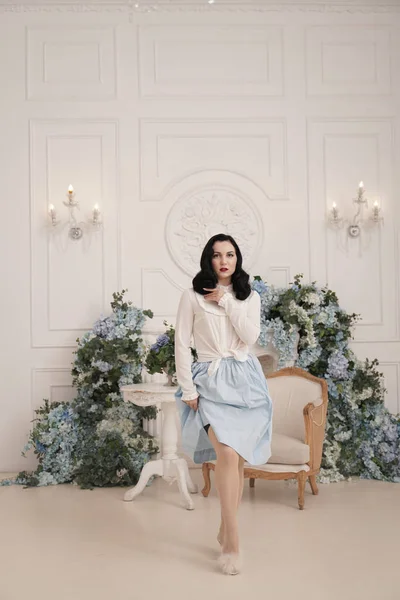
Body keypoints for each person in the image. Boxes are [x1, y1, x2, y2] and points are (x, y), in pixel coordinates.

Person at [174, 233, 273, 576]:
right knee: (226, 454)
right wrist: (188, 389)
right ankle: (232, 541)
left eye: (230, 254)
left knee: (238, 457)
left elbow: (250, 338)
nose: (224, 261)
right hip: (210, 381)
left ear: (237, 259)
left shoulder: (250, 297)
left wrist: (227, 302)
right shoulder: (191, 297)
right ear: (208, 260)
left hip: (245, 382)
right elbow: (181, 344)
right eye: (217, 255)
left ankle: (225, 526)